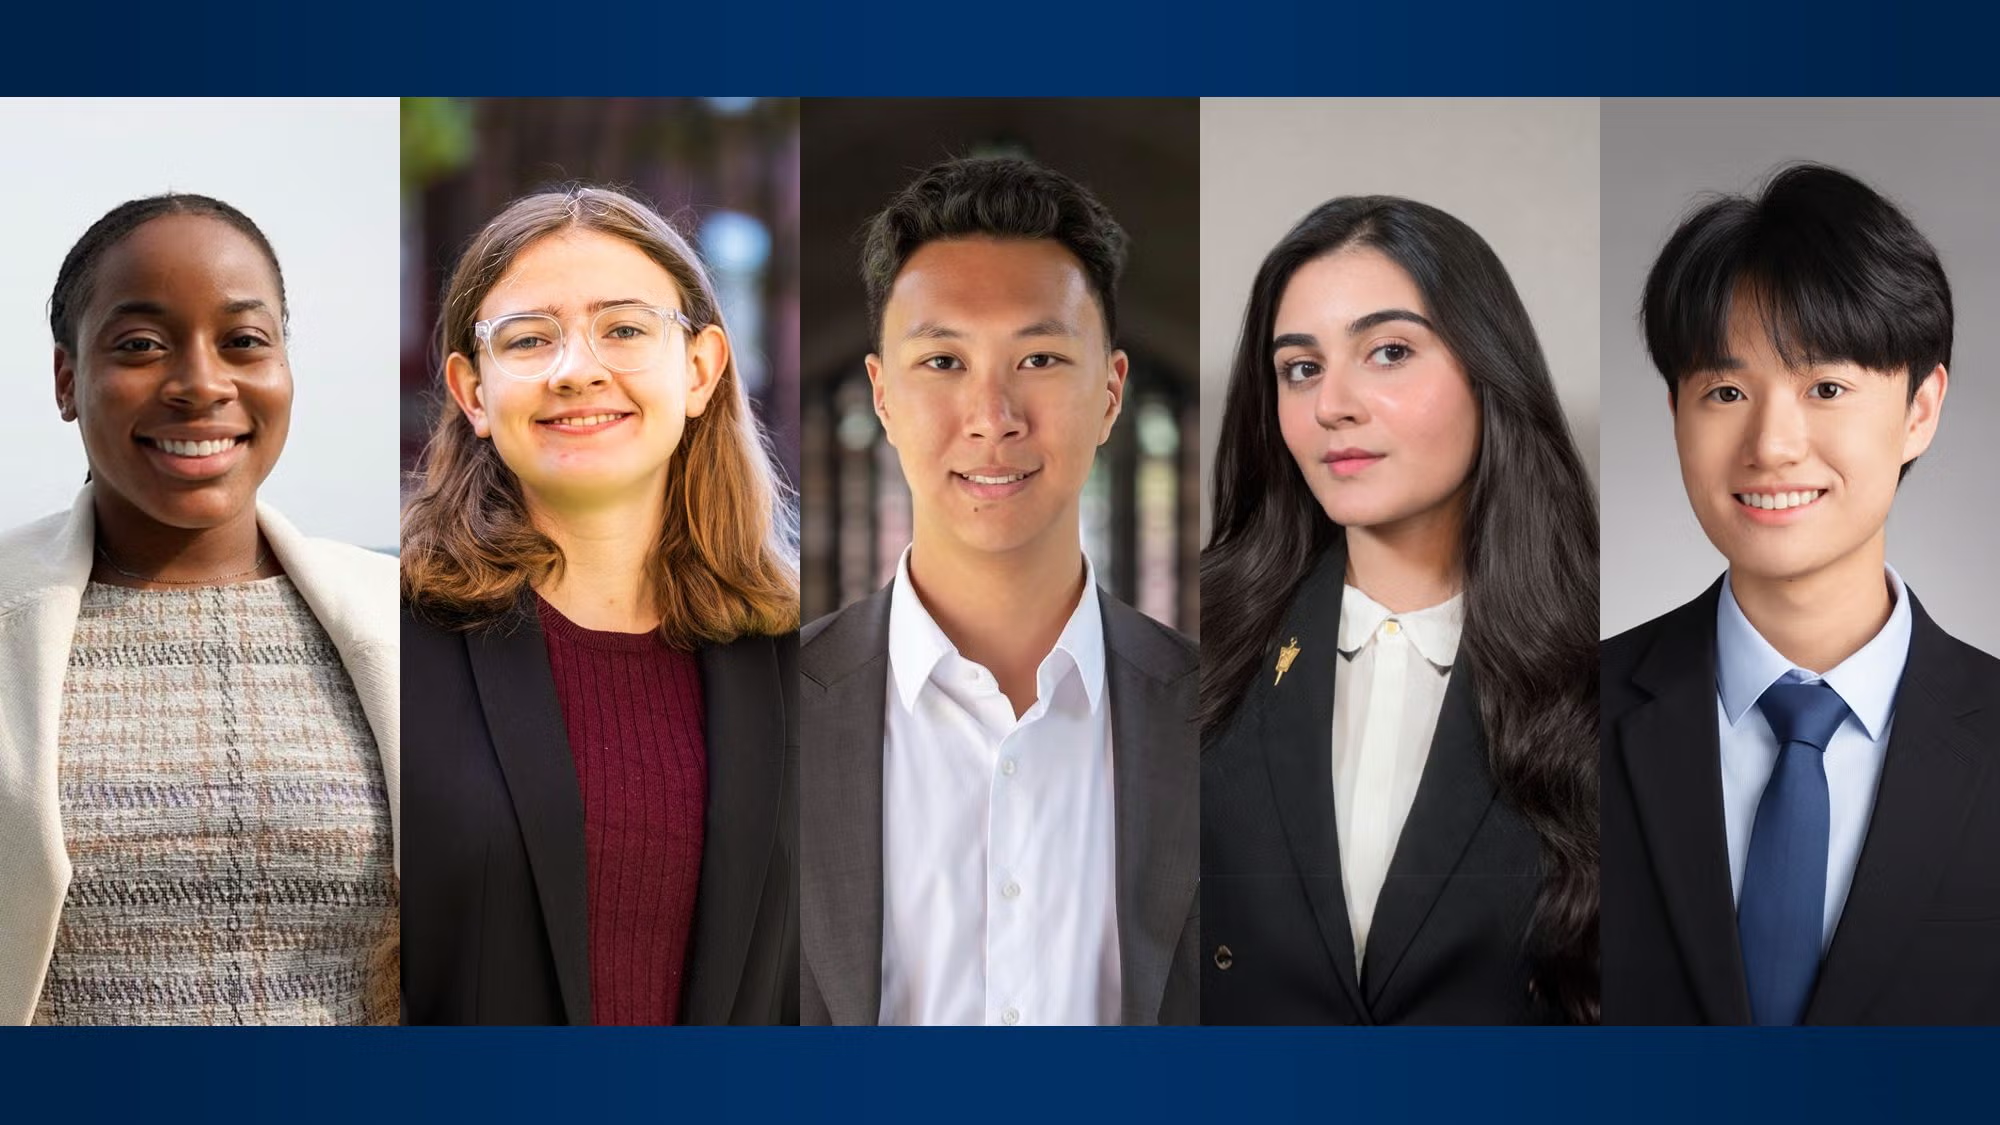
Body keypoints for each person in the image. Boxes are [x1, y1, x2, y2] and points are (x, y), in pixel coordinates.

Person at [799, 157, 1198, 1026]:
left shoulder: (1225, 716)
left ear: (1111, 392)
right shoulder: (767, 708)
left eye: (1041, 357)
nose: (993, 415)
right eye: (943, 360)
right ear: (882, 398)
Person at [1602, 163, 2000, 1025]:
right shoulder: (1560, 707)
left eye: (1826, 388)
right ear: (1676, 411)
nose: (1773, 445)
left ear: (1920, 408)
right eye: (1727, 391)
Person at [400, 186, 799, 1026]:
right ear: (473, 393)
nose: (575, 367)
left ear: (700, 369)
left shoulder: (815, 663)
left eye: (623, 328)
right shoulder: (389, 643)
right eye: (529, 338)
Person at [0, 193, 399, 1025]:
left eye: (245, 341)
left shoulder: (406, 622)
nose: (201, 383)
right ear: (67, 379)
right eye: (141, 345)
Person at [1201, 196, 1600, 1025]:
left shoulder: (1608, 668)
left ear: (1488, 369)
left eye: (1387, 352)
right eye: (1300, 368)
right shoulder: (1200, 645)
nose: (1333, 404)